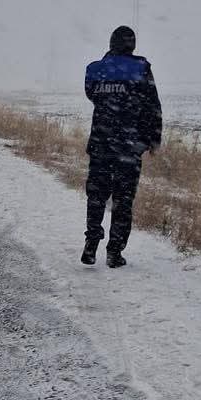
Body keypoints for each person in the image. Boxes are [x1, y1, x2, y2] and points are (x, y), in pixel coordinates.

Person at [81, 26, 162, 268]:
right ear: (132, 45)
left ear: (111, 43)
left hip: (100, 144)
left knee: (96, 196)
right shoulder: (141, 68)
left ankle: (91, 242)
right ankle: (114, 253)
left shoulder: (95, 70)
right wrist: (152, 139)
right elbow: (153, 106)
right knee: (123, 201)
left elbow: (92, 95)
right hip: (129, 147)